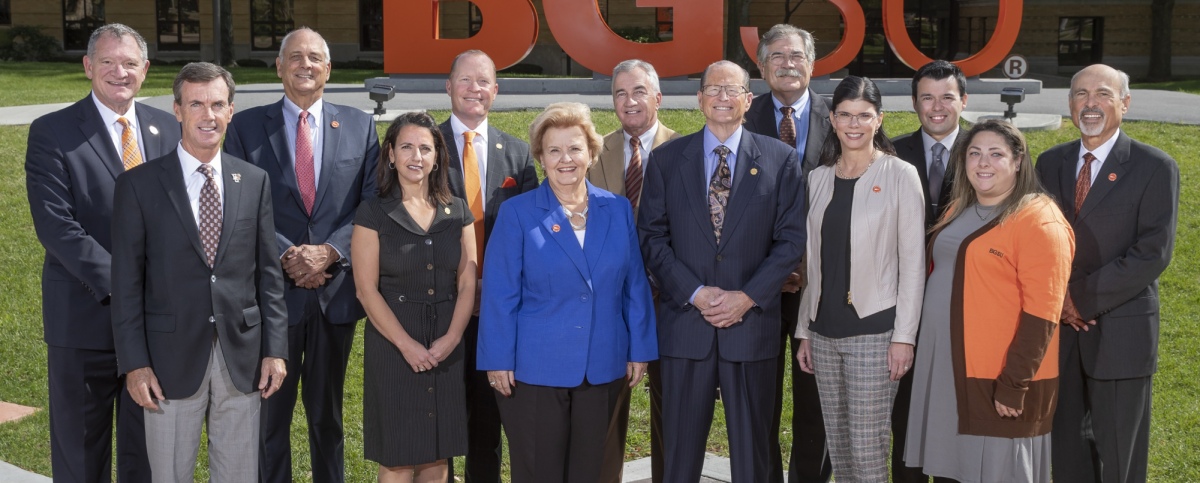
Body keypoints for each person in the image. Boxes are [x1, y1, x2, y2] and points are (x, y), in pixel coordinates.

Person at [110, 62, 289, 482]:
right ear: (177, 110)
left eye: (217, 105)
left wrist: (275, 350)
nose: (208, 115)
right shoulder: (138, 185)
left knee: (240, 475)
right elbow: (126, 285)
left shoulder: (255, 181)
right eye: (196, 104)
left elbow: (268, 275)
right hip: (167, 362)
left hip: (241, 358)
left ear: (231, 111)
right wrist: (135, 364)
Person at [223, 26, 380, 483]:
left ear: (328, 68)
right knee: (269, 417)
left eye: (314, 57)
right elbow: (239, 204)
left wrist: (329, 252)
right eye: (294, 56)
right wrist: (289, 254)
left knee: (327, 416)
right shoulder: (247, 128)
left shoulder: (359, 125)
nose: (304, 65)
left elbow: (370, 204)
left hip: (335, 295)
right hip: (272, 295)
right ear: (279, 66)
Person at [25, 23, 179, 483]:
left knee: (146, 458)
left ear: (145, 70)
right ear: (88, 66)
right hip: (84, 320)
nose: (119, 72)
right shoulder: (52, 132)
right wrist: (128, 285)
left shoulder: (168, 128)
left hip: (155, 330)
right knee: (80, 457)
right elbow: (57, 227)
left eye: (130, 63)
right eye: (108, 62)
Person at [638, 60, 806, 483]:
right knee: (677, 452)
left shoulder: (780, 159)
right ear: (699, 99)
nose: (723, 98)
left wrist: (746, 297)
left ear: (749, 100)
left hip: (751, 327)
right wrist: (693, 292)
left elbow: (790, 242)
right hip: (684, 326)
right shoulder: (665, 159)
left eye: (733, 90)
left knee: (754, 453)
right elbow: (652, 237)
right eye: (714, 90)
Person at [477, 102, 658, 483]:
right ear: (540, 157)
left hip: (605, 362)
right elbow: (500, 294)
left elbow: (634, 284)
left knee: (598, 471)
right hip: (534, 369)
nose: (566, 159)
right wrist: (497, 359)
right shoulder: (518, 214)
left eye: (575, 148)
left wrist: (640, 348)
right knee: (540, 471)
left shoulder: (618, 209)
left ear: (591, 153)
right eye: (554, 150)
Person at [906, 119, 1075, 483]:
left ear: (1018, 161)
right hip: (947, 371)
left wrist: (1014, 384)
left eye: (996, 154)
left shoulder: (1039, 220)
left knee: (997, 472)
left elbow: (1042, 314)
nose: (983, 163)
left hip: (997, 377)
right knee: (952, 471)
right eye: (974, 153)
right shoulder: (958, 210)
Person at [1039, 64, 1178, 483]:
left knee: (1121, 456)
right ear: (1070, 104)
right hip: (1058, 336)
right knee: (1066, 453)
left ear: (1125, 103)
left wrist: (1076, 299)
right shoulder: (1049, 163)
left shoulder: (1154, 166)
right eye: (1080, 94)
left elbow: (1152, 253)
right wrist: (1056, 301)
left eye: (1102, 93)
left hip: (1120, 333)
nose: (1090, 103)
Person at [792, 76, 924, 483]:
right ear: (832, 119)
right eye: (845, 115)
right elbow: (812, 263)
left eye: (864, 115)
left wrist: (904, 337)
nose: (854, 124)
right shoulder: (818, 179)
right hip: (824, 331)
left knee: (867, 457)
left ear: (879, 119)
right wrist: (804, 331)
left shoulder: (901, 174)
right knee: (842, 450)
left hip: (874, 332)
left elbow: (914, 264)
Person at [351, 112, 477, 483]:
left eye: (425, 148)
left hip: (446, 346)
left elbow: (468, 281)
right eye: (406, 146)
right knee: (398, 456)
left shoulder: (457, 211)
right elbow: (365, 289)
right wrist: (406, 345)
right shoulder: (373, 212)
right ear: (390, 154)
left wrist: (452, 339)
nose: (416, 156)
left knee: (438, 455)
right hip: (393, 345)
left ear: (437, 155)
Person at [437, 49, 539, 483]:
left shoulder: (517, 153)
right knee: (436, 423)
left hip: (496, 310)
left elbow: (530, 236)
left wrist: (492, 287)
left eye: (484, 82)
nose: (474, 89)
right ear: (449, 86)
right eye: (465, 80)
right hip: (437, 308)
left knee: (486, 424)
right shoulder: (423, 144)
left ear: (495, 91)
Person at [741, 24, 834, 483]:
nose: (787, 63)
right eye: (776, 56)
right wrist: (772, 269)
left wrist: (801, 264)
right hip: (757, 286)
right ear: (761, 67)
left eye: (796, 55)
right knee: (758, 403)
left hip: (821, 286)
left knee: (815, 402)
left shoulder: (841, 117)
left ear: (812, 64)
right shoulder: (739, 116)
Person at [586, 58, 681, 483]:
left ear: (658, 97)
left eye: (639, 91)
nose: (630, 101)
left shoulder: (687, 149)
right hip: (608, 304)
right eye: (620, 93)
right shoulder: (590, 152)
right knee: (604, 415)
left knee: (673, 411)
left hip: (672, 301)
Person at [888, 59, 969, 483]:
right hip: (901, 306)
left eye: (947, 97)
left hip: (965, 309)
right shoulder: (890, 152)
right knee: (906, 416)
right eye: (927, 98)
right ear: (915, 102)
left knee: (954, 414)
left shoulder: (987, 150)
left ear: (963, 101)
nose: (937, 107)